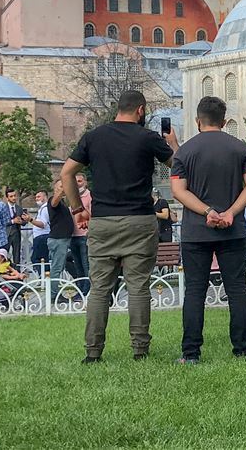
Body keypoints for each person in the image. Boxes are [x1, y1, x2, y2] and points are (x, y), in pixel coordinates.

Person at [62, 89, 177, 363]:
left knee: (100, 289)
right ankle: (140, 349)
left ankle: (93, 351)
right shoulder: (148, 137)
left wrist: (78, 209)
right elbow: (180, 165)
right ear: (140, 110)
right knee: (138, 287)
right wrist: (173, 143)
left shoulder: (93, 137)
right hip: (139, 220)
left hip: (103, 221)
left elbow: (67, 173)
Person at [170, 96, 246, 363]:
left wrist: (207, 211)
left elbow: (178, 191)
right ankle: (241, 349)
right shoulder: (240, 148)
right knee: (237, 289)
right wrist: (231, 212)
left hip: (196, 231)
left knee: (195, 291)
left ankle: (191, 353)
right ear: (224, 121)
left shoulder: (184, 152)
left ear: (198, 121)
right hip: (233, 230)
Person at [46, 179, 77, 301]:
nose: (64, 188)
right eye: (60, 186)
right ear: (55, 188)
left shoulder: (63, 202)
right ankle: (54, 295)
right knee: (56, 268)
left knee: (63, 265)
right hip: (58, 239)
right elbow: (54, 202)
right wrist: (63, 189)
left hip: (63, 239)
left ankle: (78, 283)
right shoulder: (53, 200)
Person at [69, 174, 92, 295]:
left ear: (85, 182)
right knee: (77, 266)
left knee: (86, 264)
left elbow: (93, 214)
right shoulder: (72, 197)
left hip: (84, 235)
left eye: (79, 181)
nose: (77, 184)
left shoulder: (90, 196)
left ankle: (86, 291)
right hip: (73, 235)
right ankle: (80, 289)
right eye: (75, 181)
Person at [5, 188, 28, 266]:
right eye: (11, 196)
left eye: (15, 196)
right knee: (4, 254)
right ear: (7, 198)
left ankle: (17, 270)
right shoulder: (3, 208)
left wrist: (22, 221)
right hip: (6, 234)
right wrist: (12, 221)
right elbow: (1, 222)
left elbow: (24, 222)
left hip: (16, 234)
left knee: (17, 255)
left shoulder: (19, 208)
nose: (14, 198)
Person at [28, 190, 51, 269]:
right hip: (41, 236)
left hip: (42, 236)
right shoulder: (43, 208)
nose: (36, 199)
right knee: (42, 259)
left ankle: (44, 275)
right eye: (36, 197)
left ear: (45, 197)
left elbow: (42, 224)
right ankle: (45, 274)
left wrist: (30, 220)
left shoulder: (45, 209)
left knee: (37, 259)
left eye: (39, 197)